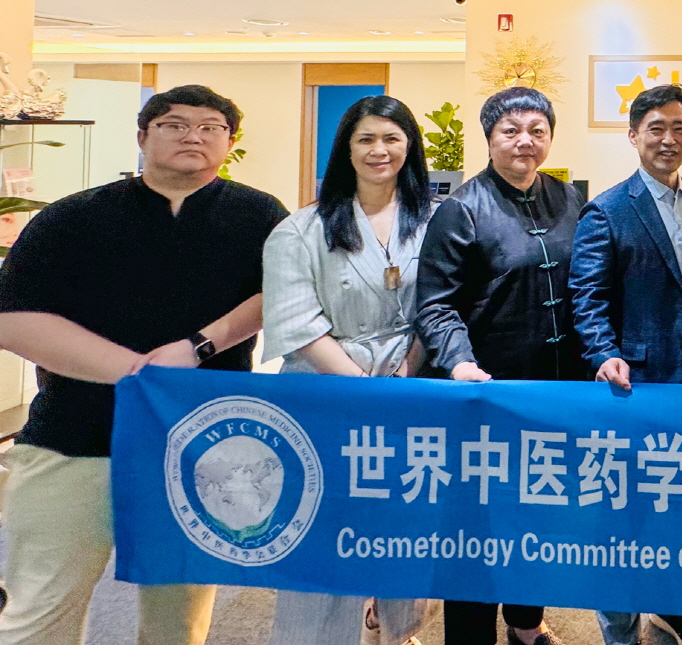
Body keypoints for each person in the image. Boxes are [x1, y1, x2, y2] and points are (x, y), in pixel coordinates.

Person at [0, 84, 287, 645]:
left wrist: (198, 346)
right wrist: (139, 372)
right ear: (142, 136)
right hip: (72, 437)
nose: (193, 136)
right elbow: (15, 319)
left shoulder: (260, 216)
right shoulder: (74, 217)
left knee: (179, 620)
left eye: (211, 128)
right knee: (41, 607)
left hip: (203, 446)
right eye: (175, 125)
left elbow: (282, 293)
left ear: (229, 141)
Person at [416, 87, 587, 645]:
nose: (524, 141)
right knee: (475, 528)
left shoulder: (568, 199)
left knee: (537, 514)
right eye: (510, 130)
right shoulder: (461, 208)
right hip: (485, 394)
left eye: (538, 130)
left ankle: (525, 624)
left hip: (553, 395)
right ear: (489, 137)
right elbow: (435, 304)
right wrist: (459, 362)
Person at [261, 95, 434, 645]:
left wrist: (405, 373)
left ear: (409, 146)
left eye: (392, 138)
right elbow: (297, 322)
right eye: (366, 139)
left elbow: (442, 306)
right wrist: (364, 389)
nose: (379, 150)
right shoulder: (300, 229)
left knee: (406, 520)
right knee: (325, 524)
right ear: (346, 149)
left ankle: (398, 629)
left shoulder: (435, 221)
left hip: (410, 386)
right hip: (326, 394)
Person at [570, 83, 682, 645]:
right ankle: (620, 632)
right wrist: (604, 353)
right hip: (634, 393)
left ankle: (674, 608)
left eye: (680, 128)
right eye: (656, 128)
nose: (668, 139)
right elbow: (587, 296)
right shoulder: (607, 210)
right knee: (622, 519)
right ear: (633, 136)